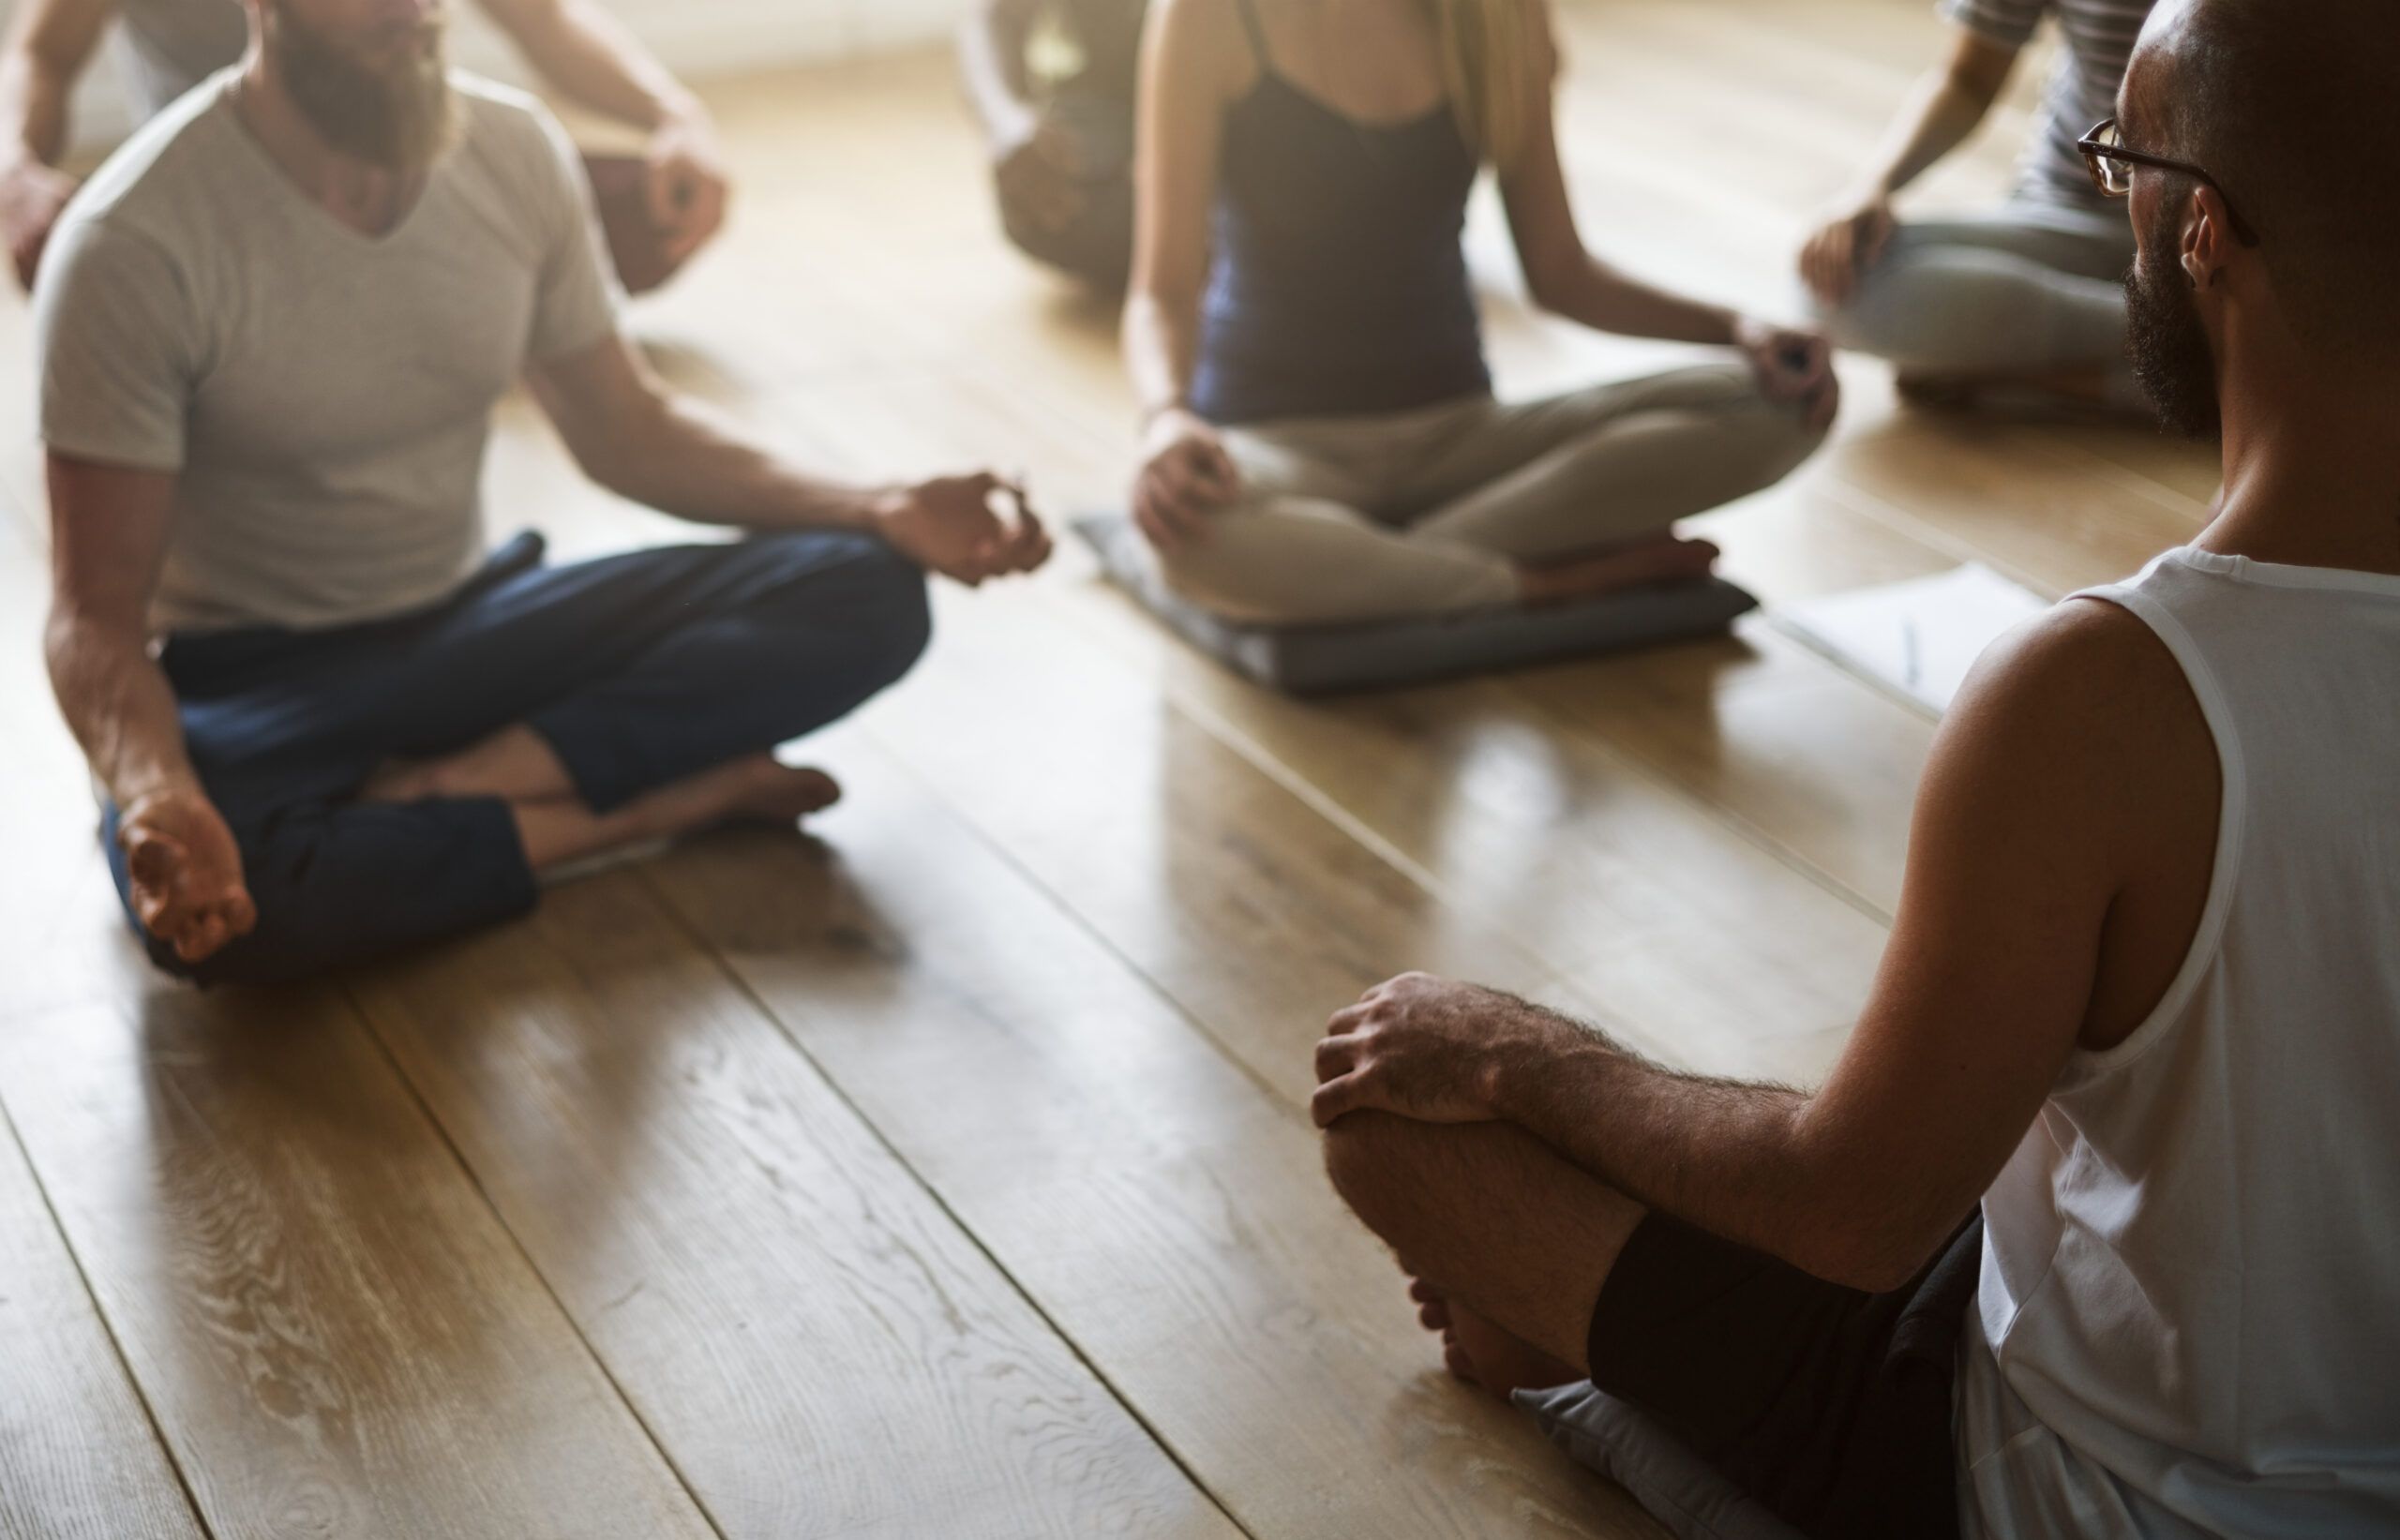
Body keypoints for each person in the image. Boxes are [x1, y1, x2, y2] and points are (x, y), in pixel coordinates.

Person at [1314, 0, 2400, 1533]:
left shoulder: (2110, 689)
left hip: (2087, 1482)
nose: (2115, 194)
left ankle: (1618, 1404)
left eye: (2124, 162)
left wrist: (1509, 1050)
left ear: (2204, 228)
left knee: (1396, 1108)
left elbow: (1850, 1210)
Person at [37, 0, 1050, 986]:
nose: (410, 11)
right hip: (258, 682)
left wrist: (877, 502)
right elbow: (94, 617)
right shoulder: (133, 243)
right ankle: (659, 801)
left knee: (868, 586)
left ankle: (451, 791)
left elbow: (627, 429)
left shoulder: (513, 151)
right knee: (221, 912)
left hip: (472, 617)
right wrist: (155, 790)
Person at [1122, 0, 1835, 628]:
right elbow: (1161, 291)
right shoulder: (1208, 13)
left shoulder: (1502, 14)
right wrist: (1167, 415)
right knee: (1189, 534)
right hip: (1276, 445)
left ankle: (1367, 565)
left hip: (1462, 442)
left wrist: (1738, 328)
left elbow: (1562, 274)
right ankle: (1548, 577)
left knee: (1777, 405)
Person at [0, 0, 730, 291]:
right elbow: (42, 56)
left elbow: (545, 22)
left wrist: (678, 115)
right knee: (72, 252)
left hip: (405, 174)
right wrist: (15, 172)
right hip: (224, 205)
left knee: (652, 209)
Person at [1797, 0, 2154, 414]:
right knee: (1834, 285)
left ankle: (2039, 376)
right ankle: (2201, 349)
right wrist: (1871, 188)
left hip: (2216, 237)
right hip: (2068, 208)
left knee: (2243, 371)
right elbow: (1967, 79)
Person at [959, 0, 1146, 292]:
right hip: (1118, 112)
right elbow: (994, 16)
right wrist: (1008, 123)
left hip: (1223, 116)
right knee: (1039, 191)